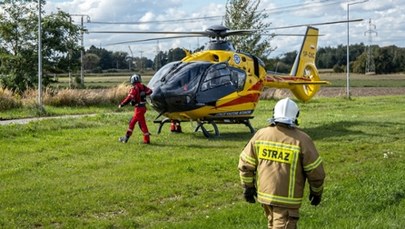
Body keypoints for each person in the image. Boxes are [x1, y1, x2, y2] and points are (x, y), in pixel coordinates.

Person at [238, 98, 325, 229]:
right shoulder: (302, 140)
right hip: (287, 201)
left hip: (265, 198)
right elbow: (316, 172)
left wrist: (248, 188)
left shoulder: (261, 135)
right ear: (296, 116)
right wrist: (316, 192)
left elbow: (245, 164)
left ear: (274, 114)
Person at [118, 74, 153, 144]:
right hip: (143, 108)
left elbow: (129, 98)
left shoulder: (134, 88)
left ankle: (146, 140)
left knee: (141, 124)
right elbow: (150, 91)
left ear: (132, 80)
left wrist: (122, 104)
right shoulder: (143, 86)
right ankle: (126, 138)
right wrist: (145, 93)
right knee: (132, 122)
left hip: (138, 109)